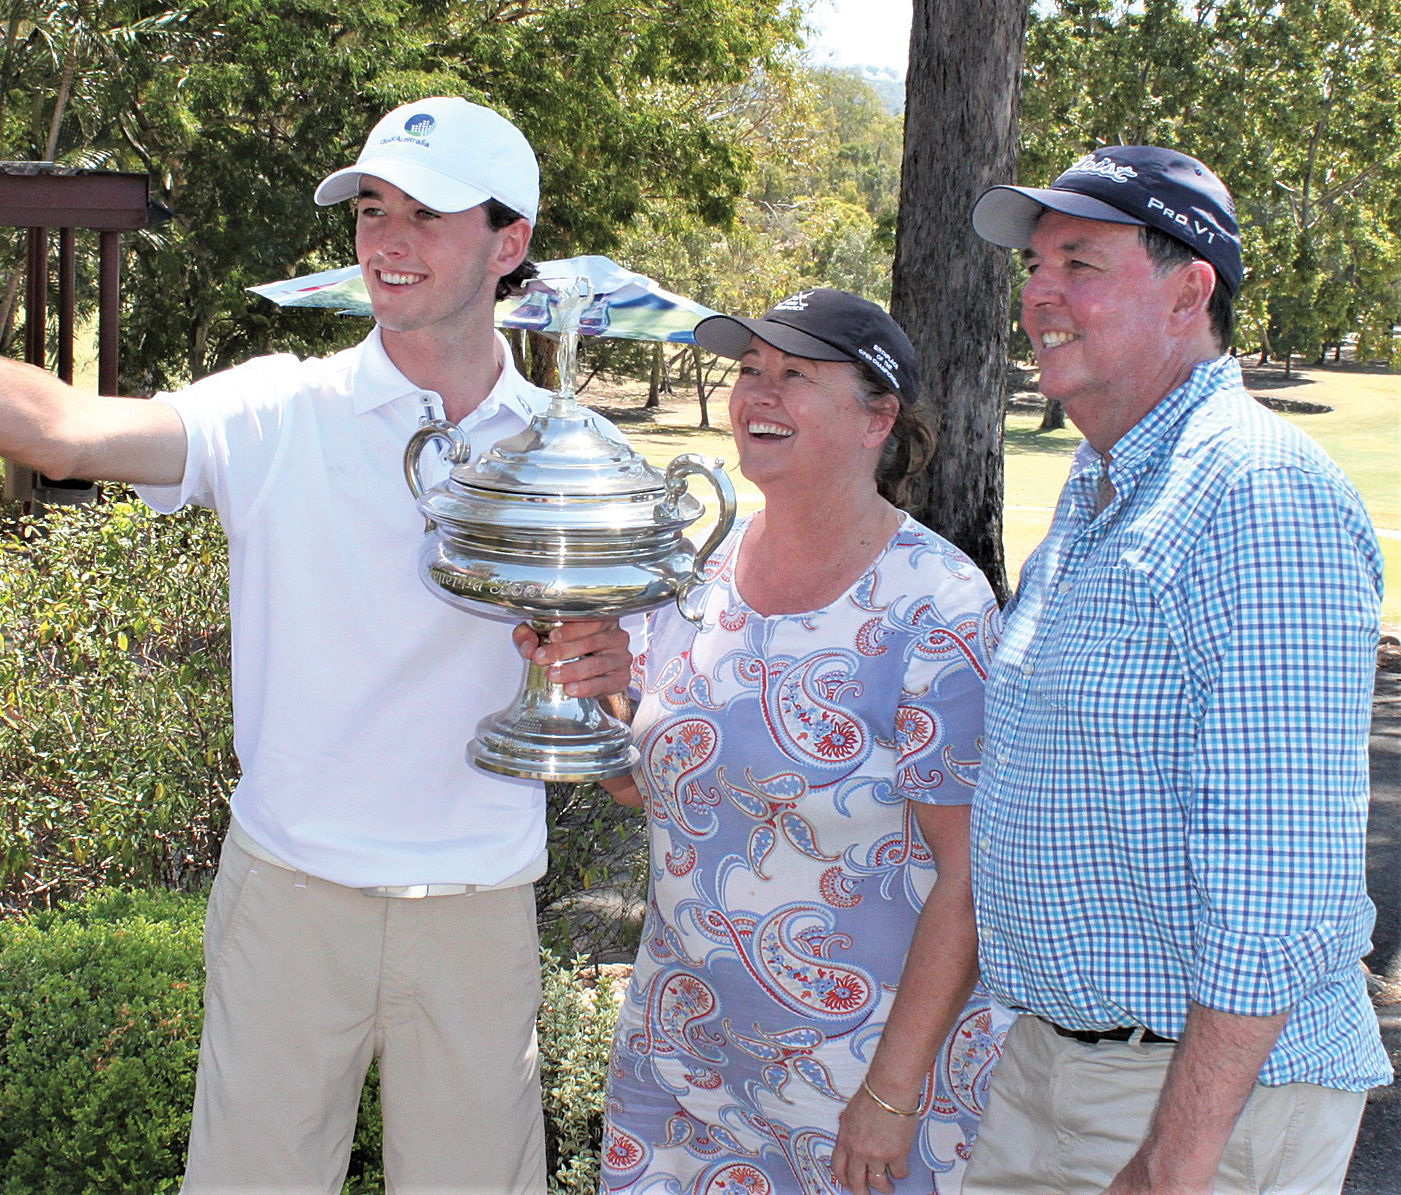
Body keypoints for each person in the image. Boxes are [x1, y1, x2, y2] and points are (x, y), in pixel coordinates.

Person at [0, 96, 634, 1194]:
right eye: (370, 210)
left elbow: (640, 719)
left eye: (427, 214)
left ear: (510, 243)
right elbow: (60, 426)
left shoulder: (579, 454)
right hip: (289, 893)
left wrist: (617, 688)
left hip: (481, 902)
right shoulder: (278, 410)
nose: (386, 242)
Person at [963, 146, 1391, 1195]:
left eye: (1080, 262)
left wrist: (1175, 1159)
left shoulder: (1257, 496)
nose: (1039, 293)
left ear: (1187, 290)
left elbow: (1281, 880)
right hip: (1056, 1065)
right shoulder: (1102, 480)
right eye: (1033, 266)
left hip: (1206, 1104)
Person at [573, 289, 1002, 1195]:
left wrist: (888, 1096)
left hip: (860, 1090)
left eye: (796, 376)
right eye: (749, 371)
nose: (758, 395)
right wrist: (598, 689)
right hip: (680, 1059)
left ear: (876, 418)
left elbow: (971, 879)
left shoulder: (937, 607)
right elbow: (656, 789)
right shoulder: (698, 567)